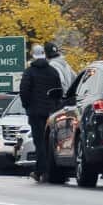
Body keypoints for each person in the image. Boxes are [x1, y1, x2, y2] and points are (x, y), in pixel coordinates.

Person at [19, 44, 63, 182]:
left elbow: (24, 91)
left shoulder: (29, 72)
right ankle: (49, 170)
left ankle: (41, 170)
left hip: (35, 112)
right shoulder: (53, 71)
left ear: (33, 55)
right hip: (51, 112)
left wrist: (27, 106)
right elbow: (58, 90)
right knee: (50, 142)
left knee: (39, 142)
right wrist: (55, 106)